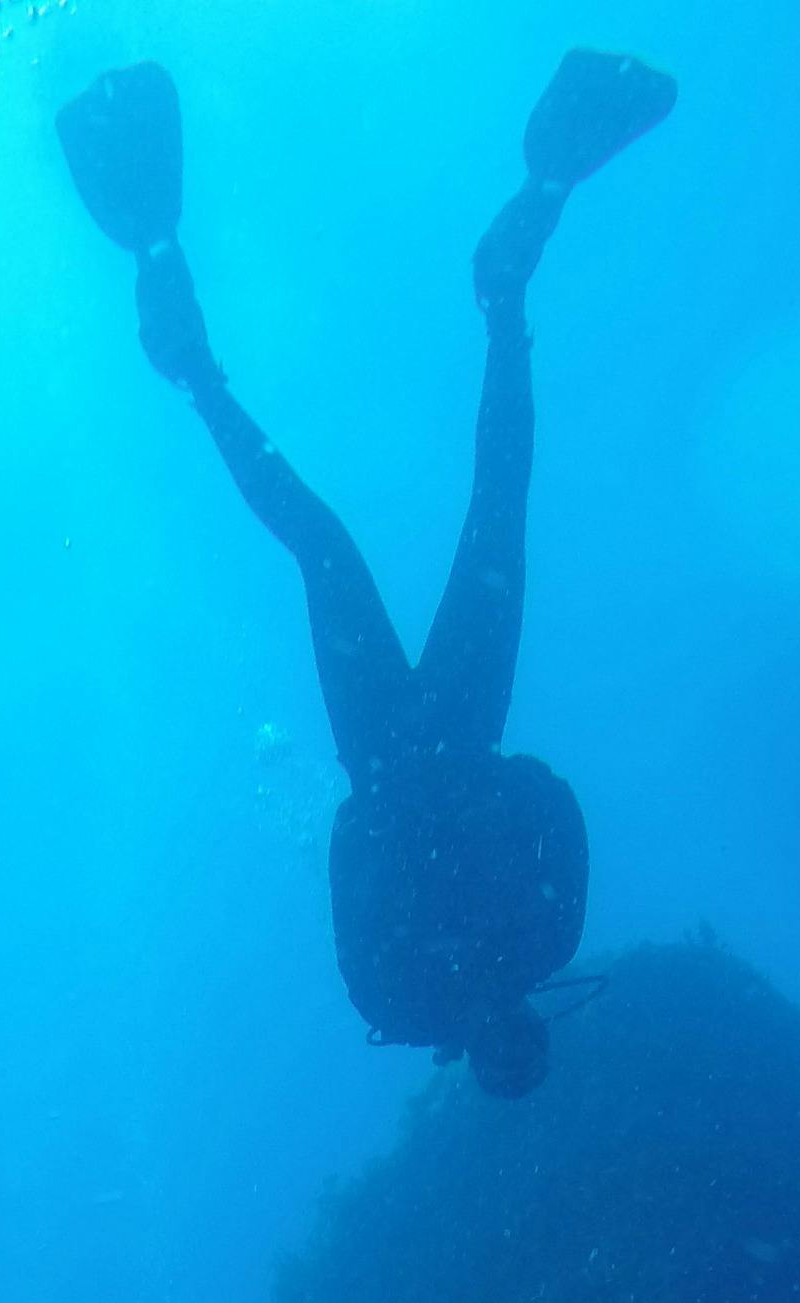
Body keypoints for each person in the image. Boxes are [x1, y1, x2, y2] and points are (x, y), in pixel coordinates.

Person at [60, 51, 677, 1098]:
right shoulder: (523, 945)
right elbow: (542, 799)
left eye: (492, 1050)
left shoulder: (399, 1002)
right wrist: (458, 800)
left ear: (470, 1058)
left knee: (325, 541)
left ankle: (182, 332)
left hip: (390, 748)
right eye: (519, 1035)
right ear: (531, 1026)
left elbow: (362, 850)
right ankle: (508, 277)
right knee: (492, 512)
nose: (497, 1026)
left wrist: (422, 809)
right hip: (451, 729)